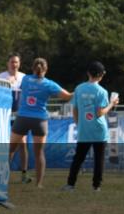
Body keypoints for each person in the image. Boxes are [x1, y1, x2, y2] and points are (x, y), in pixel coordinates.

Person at [7, 57, 71, 188]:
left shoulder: (25, 79)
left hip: (23, 118)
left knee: (10, 150)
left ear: (32, 68)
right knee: (39, 153)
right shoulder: (49, 84)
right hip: (40, 120)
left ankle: (1, 177)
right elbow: (67, 96)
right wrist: (81, 91)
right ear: (46, 69)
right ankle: (39, 184)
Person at [63, 61, 117, 192]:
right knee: (99, 160)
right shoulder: (102, 91)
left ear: (88, 73)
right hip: (99, 130)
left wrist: (79, 124)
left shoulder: (79, 88)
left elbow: (75, 110)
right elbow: (100, 113)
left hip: (84, 129)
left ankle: (70, 184)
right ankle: (96, 186)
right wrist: (112, 103)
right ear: (101, 75)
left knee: (78, 158)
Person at [0, 53, 29, 182]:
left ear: (19, 64)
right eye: (12, 62)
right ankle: (3, 172)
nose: (14, 64)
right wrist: (6, 84)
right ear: (8, 63)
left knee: (22, 143)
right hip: (4, 116)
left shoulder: (24, 78)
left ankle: (24, 173)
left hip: (20, 116)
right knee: (9, 145)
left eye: (16, 62)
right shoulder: (1, 77)